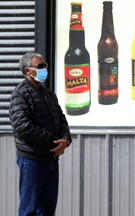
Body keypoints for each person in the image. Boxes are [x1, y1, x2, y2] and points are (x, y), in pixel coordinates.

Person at [9, 52, 72, 216]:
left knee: (47, 209)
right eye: (40, 66)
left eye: (45, 66)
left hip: (51, 159)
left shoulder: (49, 95)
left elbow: (61, 118)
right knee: (29, 209)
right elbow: (23, 127)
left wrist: (65, 139)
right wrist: (54, 142)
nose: (45, 69)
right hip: (32, 160)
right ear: (28, 71)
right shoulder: (19, 94)